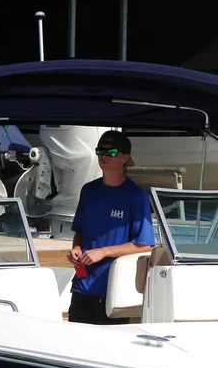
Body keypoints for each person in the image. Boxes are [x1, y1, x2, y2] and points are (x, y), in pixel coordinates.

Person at [66, 130, 155, 324]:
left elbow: (144, 245)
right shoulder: (88, 191)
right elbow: (79, 230)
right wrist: (76, 249)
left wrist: (103, 252)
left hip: (113, 289)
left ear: (125, 158)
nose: (104, 156)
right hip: (83, 285)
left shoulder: (135, 195)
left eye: (111, 152)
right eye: (100, 151)